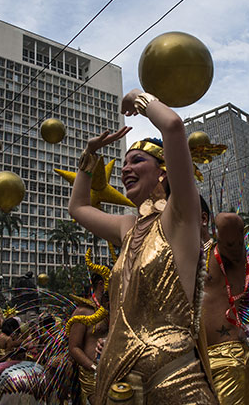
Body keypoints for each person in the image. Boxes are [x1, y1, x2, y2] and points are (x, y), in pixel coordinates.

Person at [68, 89, 216, 404]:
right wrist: (89, 157)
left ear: (164, 171)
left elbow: (173, 126)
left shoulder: (180, 217)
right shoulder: (128, 227)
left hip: (174, 383)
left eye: (137, 160)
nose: (124, 169)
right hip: (119, 383)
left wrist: (137, 97)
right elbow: (78, 208)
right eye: (123, 163)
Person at [202, 209, 249, 404]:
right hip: (194, 361)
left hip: (226, 357)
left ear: (203, 218)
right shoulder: (180, 260)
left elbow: (227, 221)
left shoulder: (222, 254)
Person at [68, 273, 109, 405]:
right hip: (92, 377)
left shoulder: (114, 309)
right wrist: (94, 368)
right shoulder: (83, 311)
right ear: (101, 284)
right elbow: (74, 348)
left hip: (113, 373)